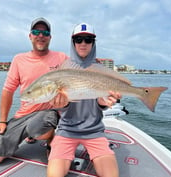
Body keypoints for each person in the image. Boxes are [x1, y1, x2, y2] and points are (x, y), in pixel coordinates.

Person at [0, 17, 69, 164]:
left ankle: (52, 138)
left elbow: (78, 74)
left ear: (50, 37)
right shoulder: (19, 59)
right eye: (36, 32)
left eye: (45, 33)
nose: (40, 36)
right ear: (30, 36)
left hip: (49, 112)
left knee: (38, 127)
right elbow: (8, 90)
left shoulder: (61, 57)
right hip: (24, 114)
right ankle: (28, 133)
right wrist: (2, 121)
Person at [47, 23, 120, 177]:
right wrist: (62, 104)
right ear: (72, 42)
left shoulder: (101, 70)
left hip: (95, 131)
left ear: (93, 43)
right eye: (78, 39)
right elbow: (62, 105)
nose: (83, 43)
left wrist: (103, 102)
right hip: (66, 130)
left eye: (88, 39)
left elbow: (101, 102)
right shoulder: (62, 69)